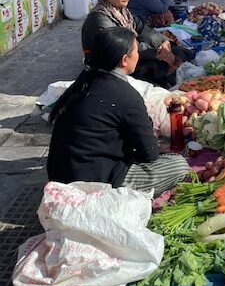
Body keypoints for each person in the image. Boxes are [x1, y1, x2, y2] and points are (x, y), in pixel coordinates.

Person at [47, 27, 189, 195]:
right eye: (136, 50)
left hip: (60, 173)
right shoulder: (126, 96)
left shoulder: (82, 83)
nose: (138, 55)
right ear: (124, 60)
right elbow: (149, 154)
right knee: (179, 166)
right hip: (93, 184)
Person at [82, 0, 182, 87]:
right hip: (109, 63)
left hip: (127, 53)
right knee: (159, 65)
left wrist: (164, 41)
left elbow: (143, 29)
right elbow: (122, 47)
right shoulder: (99, 19)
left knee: (176, 50)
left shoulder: (122, 11)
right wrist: (157, 53)